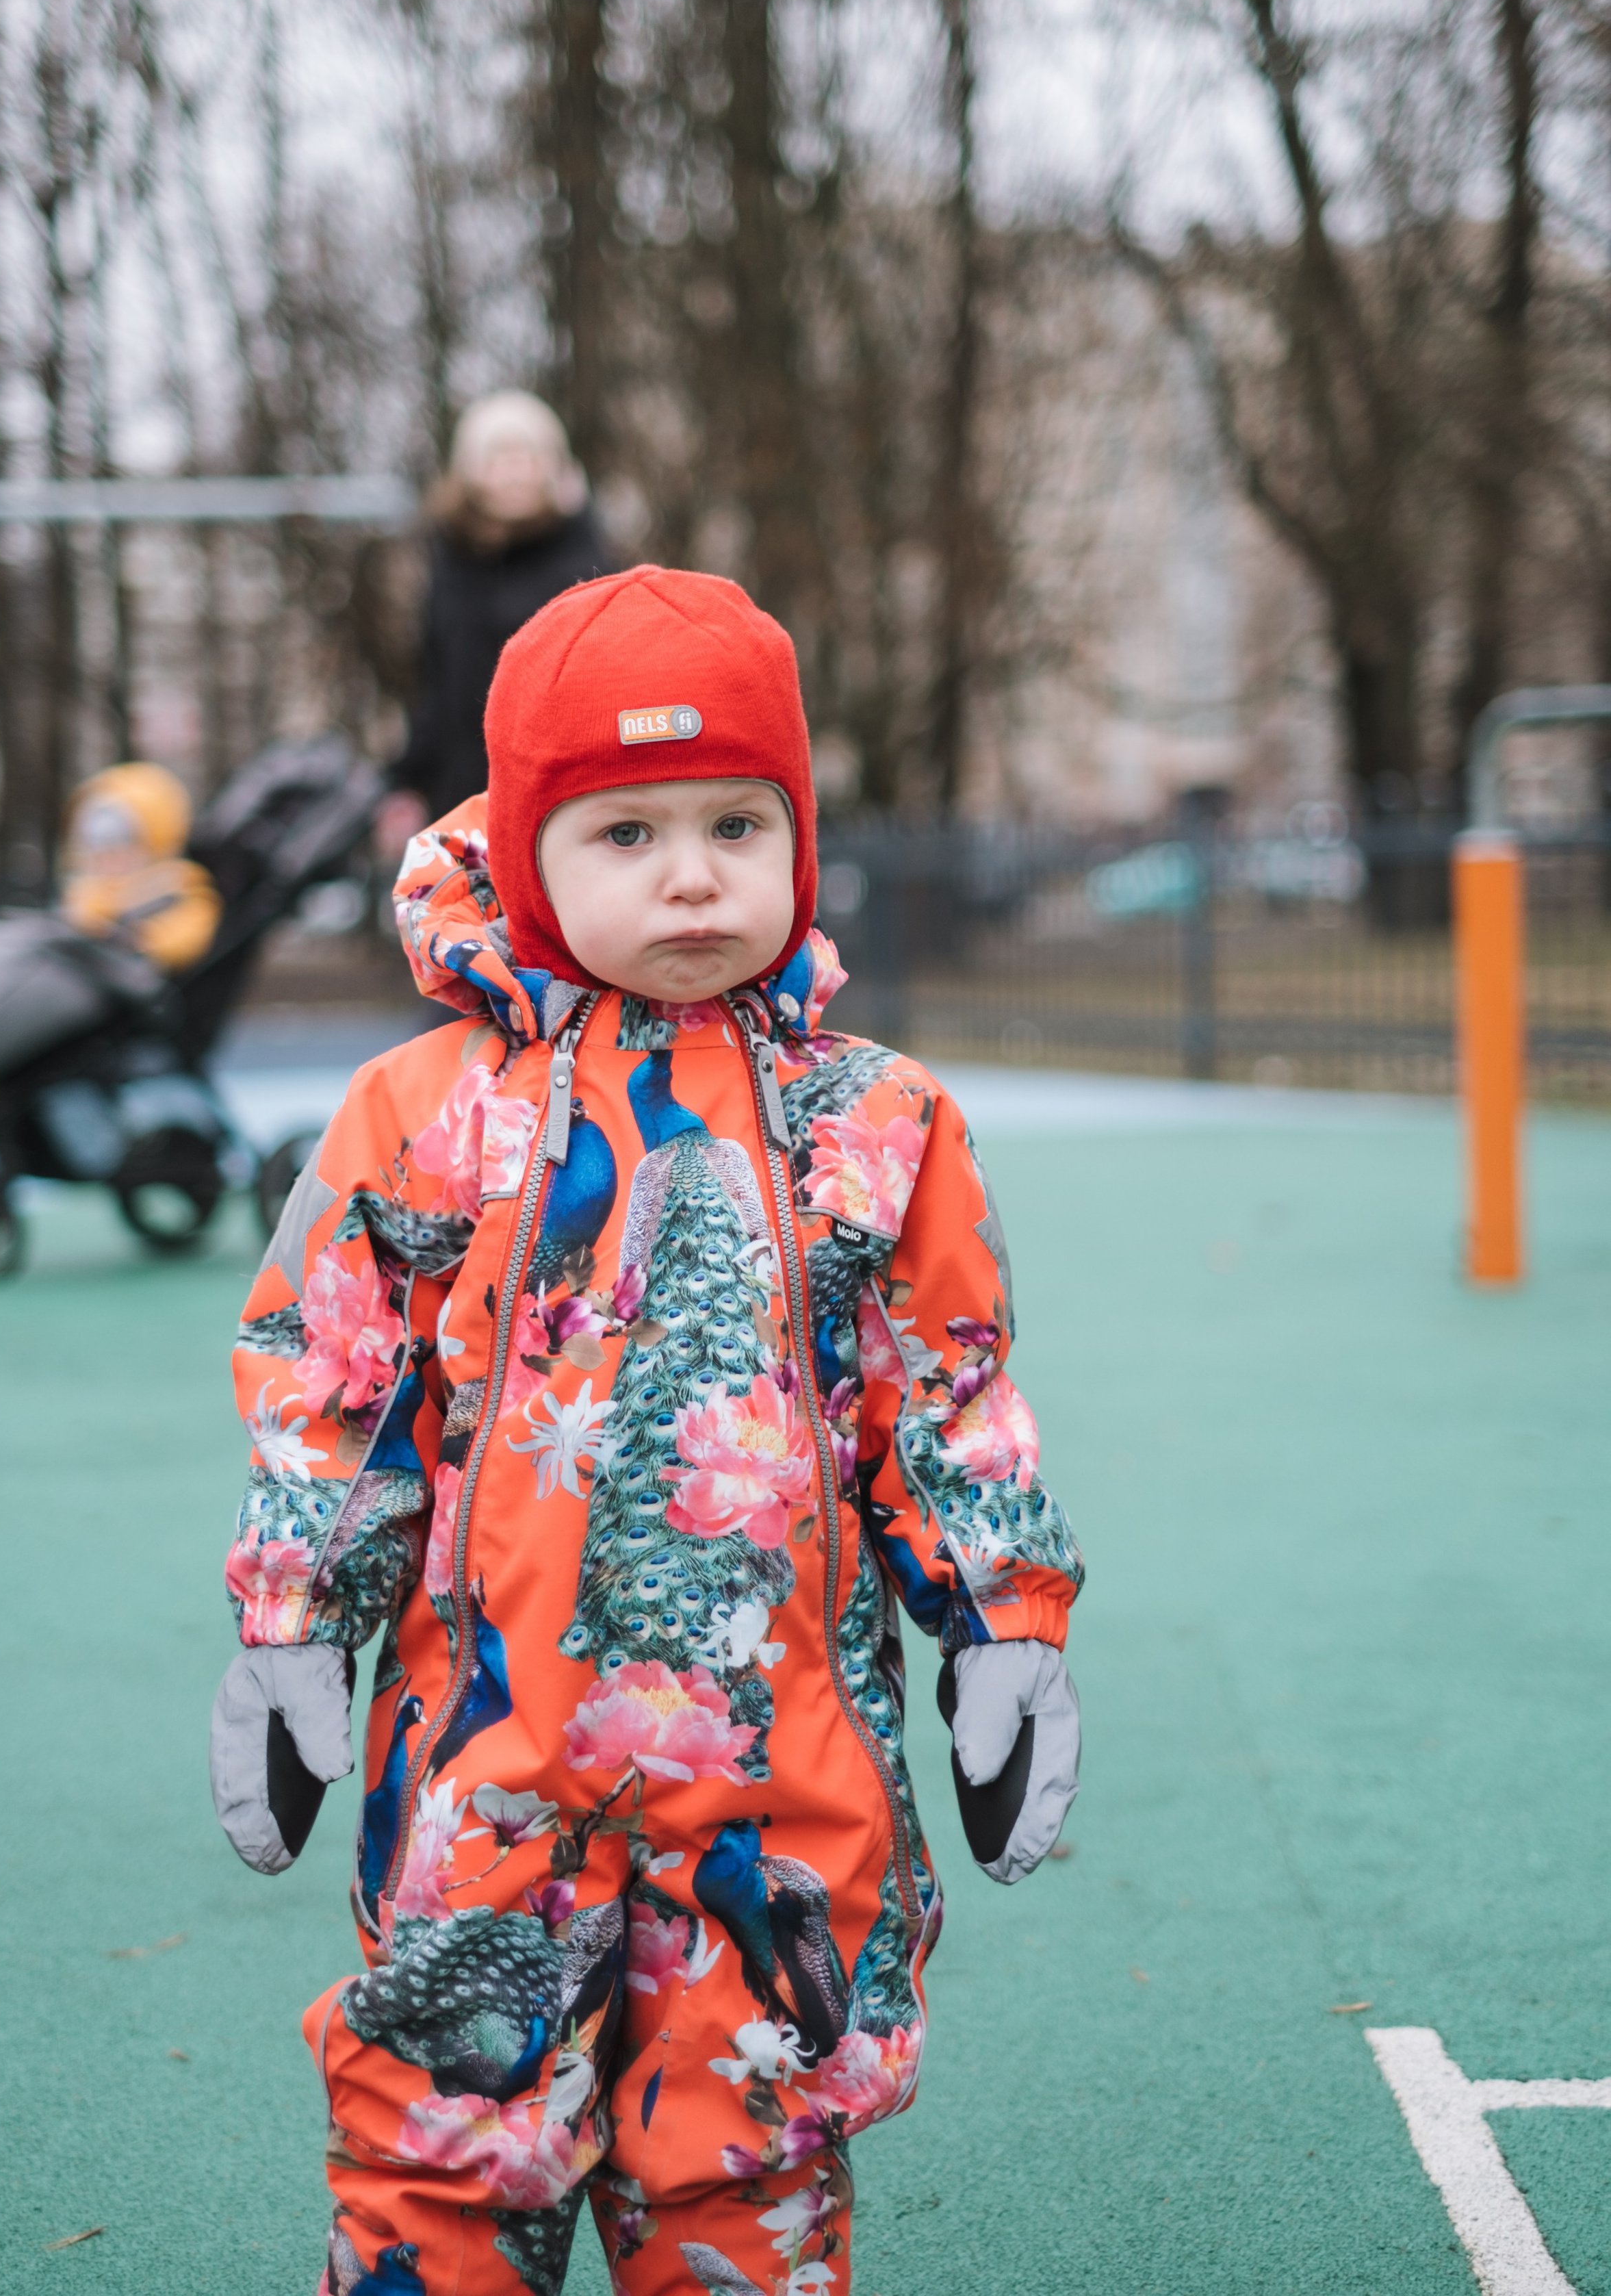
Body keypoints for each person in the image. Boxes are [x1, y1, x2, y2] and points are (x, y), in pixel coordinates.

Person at [209, 567, 1083, 2296]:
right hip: (487, 1762)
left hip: (781, 1773)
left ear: (797, 837)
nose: (691, 871)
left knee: (745, 2161)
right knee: (443, 2155)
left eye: (734, 822)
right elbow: (330, 1381)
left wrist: (1002, 1625)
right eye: (623, 832)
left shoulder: (879, 1120)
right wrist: (295, 1622)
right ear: (525, 853)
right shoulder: (426, 1109)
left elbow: (947, 1386)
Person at [381, 391, 611, 849]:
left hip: (559, 791)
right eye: (497, 458)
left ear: (553, 468)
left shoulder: (588, 563)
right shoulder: (449, 564)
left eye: (526, 457)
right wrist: (405, 778)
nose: (512, 473)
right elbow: (440, 686)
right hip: (463, 794)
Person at [60, 761, 220, 973]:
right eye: (100, 852)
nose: (111, 860)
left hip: (145, 984)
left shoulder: (174, 885)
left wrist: (146, 942)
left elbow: (191, 929)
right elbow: (74, 928)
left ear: (152, 844)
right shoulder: (89, 892)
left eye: (122, 848)